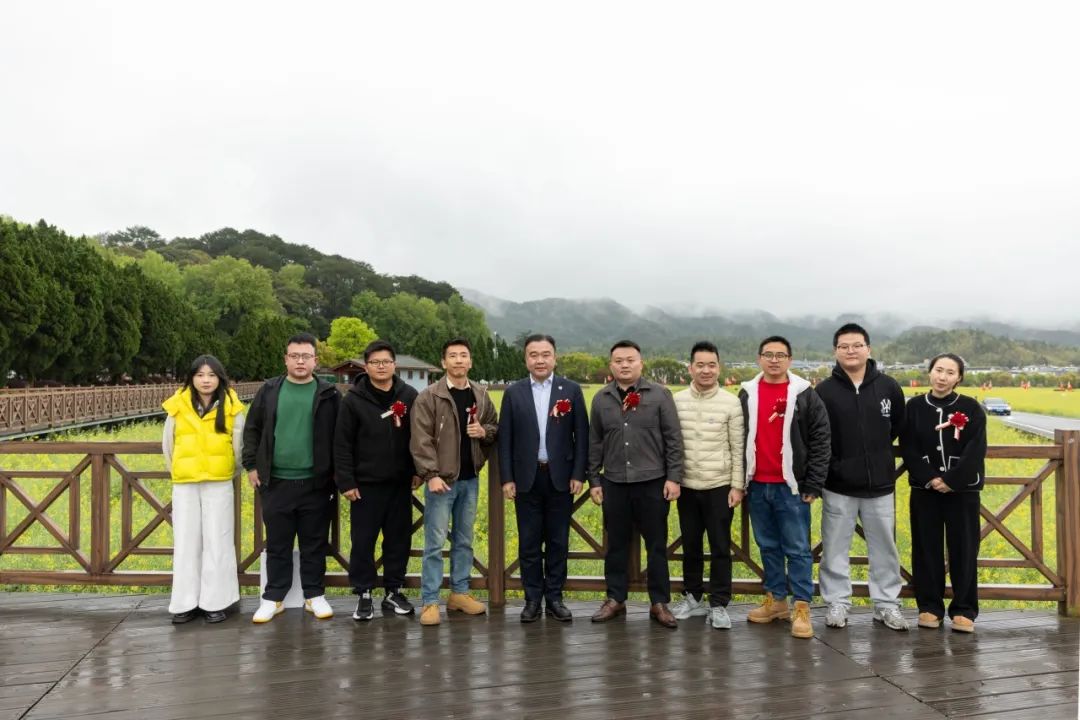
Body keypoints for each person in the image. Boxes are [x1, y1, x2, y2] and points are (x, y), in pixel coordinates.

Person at [815, 323, 909, 631]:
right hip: (838, 486)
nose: (851, 351)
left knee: (885, 548)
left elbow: (897, 427)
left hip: (880, 485)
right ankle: (837, 603)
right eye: (844, 346)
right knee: (834, 547)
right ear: (835, 351)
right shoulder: (824, 391)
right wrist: (835, 467)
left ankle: (886, 605)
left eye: (857, 345)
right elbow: (818, 436)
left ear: (868, 349)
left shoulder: (889, 387)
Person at [243, 332, 341, 623]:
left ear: (315, 360)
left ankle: (314, 595)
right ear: (286, 359)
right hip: (276, 482)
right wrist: (251, 465)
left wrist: (338, 474)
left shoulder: (329, 394)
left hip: (316, 483)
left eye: (306, 356)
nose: (300, 361)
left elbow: (341, 437)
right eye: (295, 356)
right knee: (278, 544)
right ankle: (273, 598)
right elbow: (252, 429)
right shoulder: (269, 390)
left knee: (315, 543)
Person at [738, 336, 830, 638]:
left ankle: (801, 606)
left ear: (790, 360)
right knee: (768, 546)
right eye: (769, 354)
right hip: (757, 484)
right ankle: (776, 600)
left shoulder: (804, 394)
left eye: (780, 355)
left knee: (798, 549)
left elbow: (821, 440)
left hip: (791, 487)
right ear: (759, 359)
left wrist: (813, 483)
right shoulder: (747, 392)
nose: (774, 360)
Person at [588, 340, 683, 628]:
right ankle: (615, 598)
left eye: (630, 360)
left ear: (641, 363)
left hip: (652, 482)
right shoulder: (601, 398)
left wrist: (674, 477)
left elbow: (673, 439)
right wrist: (594, 479)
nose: (625, 365)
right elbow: (595, 442)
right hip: (615, 481)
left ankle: (659, 602)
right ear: (611, 365)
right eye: (619, 361)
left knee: (656, 545)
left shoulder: (660, 395)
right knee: (616, 544)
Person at [498, 334, 588, 623]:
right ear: (526, 359)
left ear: (555, 357)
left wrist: (579, 473)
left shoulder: (570, 390)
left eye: (545, 354)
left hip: (560, 477)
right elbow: (505, 440)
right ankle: (532, 599)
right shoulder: (514, 392)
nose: (540, 360)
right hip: (526, 478)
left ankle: (555, 598)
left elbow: (582, 436)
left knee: (558, 541)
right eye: (533, 355)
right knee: (529, 542)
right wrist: (506, 479)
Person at [410, 337, 498, 626]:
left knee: (464, 540)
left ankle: (459, 593)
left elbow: (493, 427)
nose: (459, 360)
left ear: (470, 361)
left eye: (463, 355)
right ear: (443, 362)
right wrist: (431, 475)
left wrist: (483, 432)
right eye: (453, 355)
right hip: (441, 482)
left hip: (470, 480)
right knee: (434, 543)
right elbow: (420, 439)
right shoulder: (429, 396)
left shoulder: (480, 395)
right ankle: (430, 600)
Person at [334, 340, 421, 621]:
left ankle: (393, 590)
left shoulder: (409, 395)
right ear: (366, 366)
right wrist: (347, 482)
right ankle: (364, 593)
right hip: (365, 486)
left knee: (398, 540)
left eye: (386, 361)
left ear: (394, 364)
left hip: (401, 484)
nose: (381, 367)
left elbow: (419, 437)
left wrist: (418, 470)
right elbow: (342, 444)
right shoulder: (353, 400)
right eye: (375, 362)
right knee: (363, 541)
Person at [900, 353, 986, 633]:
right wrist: (930, 477)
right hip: (924, 490)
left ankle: (964, 609)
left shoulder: (971, 407)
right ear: (929, 372)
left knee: (964, 548)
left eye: (950, 372)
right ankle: (929, 607)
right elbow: (909, 447)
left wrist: (952, 480)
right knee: (926, 547)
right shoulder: (914, 407)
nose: (942, 377)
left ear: (959, 378)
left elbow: (975, 449)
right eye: (938, 370)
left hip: (963, 490)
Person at [163, 355, 244, 624]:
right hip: (185, 483)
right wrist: (179, 471)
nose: (206, 380)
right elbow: (168, 445)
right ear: (191, 378)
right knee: (185, 542)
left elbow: (239, 447)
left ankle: (216, 602)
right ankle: (184, 603)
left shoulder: (232, 406)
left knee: (218, 541)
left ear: (220, 378)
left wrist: (228, 471)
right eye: (199, 375)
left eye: (211, 375)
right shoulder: (177, 405)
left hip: (219, 482)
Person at [670, 341, 745, 630]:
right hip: (687, 486)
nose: (706, 370)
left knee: (720, 546)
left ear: (719, 368)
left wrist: (737, 485)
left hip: (719, 485)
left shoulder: (730, 402)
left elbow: (737, 447)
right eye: (700, 365)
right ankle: (693, 597)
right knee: (690, 544)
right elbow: (670, 445)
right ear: (690, 368)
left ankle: (719, 603)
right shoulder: (676, 401)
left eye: (711, 365)